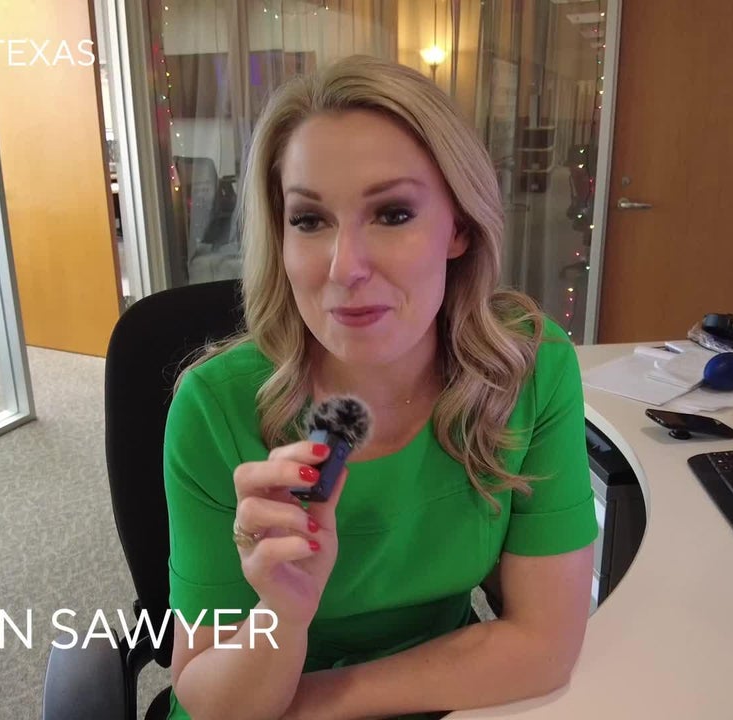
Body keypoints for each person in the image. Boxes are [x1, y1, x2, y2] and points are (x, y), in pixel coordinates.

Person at [163, 55, 597, 720]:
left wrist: (313, 704)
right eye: (309, 220)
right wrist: (282, 612)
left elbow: (544, 646)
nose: (345, 268)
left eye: (392, 213)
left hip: (421, 701)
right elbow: (207, 695)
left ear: (458, 227)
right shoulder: (214, 408)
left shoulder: (528, 369)